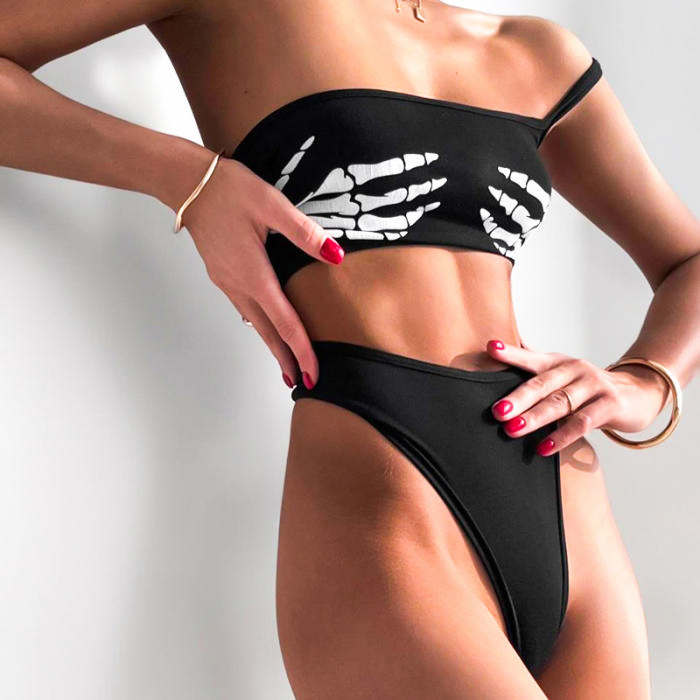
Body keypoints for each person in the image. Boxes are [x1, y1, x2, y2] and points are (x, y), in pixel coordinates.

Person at [1, 1, 698, 698]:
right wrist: (189, 178)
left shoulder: (537, 52)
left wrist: (647, 381)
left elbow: (687, 262)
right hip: (387, 500)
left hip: (568, 505)